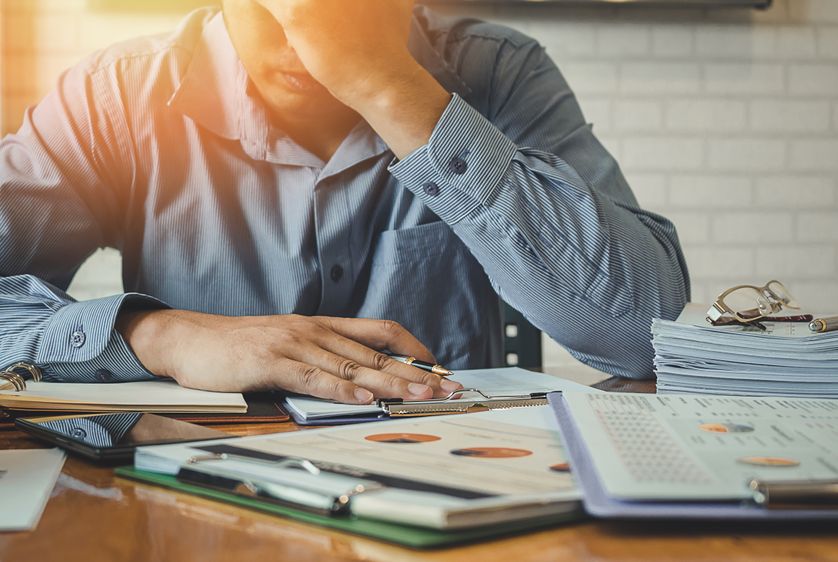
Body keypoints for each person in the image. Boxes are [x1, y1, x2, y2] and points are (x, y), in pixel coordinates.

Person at [0, 0, 689, 404]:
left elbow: (644, 335)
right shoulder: (114, 97)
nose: (310, 29)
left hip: (455, 492)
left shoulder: (501, 75)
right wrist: (161, 335)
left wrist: (391, 89)